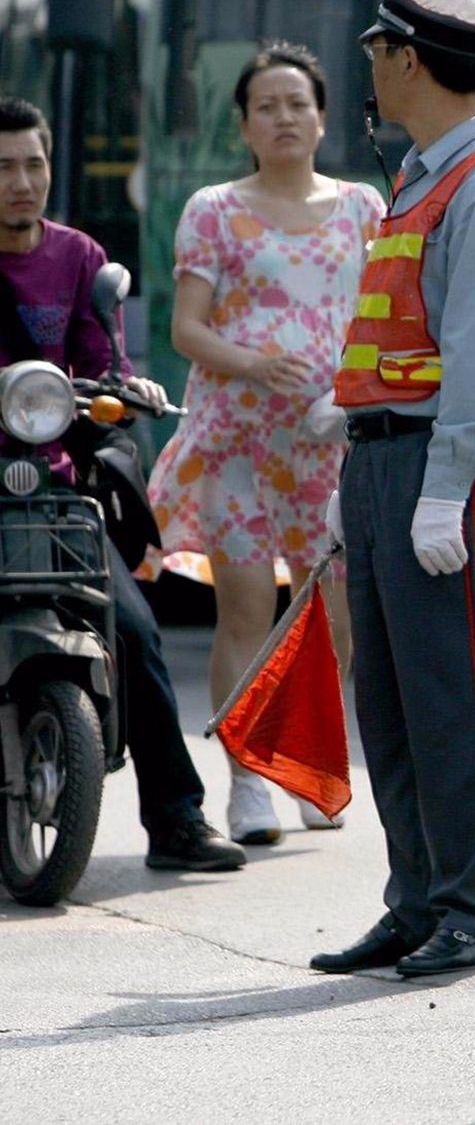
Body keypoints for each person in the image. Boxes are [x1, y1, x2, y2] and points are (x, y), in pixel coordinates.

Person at [308, 0, 475, 978]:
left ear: (408, 60)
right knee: (395, 701)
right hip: (383, 465)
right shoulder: (418, 180)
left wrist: (445, 486)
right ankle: (417, 899)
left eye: (376, 51)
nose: (368, 66)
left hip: (438, 470)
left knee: (454, 695)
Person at [0, 97, 247, 873]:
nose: (21, 182)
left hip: (55, 494)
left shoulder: (77, 257)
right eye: (3, 167)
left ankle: (176, 819)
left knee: (135, 631)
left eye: (34, 164)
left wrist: (121, 389)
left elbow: (105, 362)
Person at [150, 41, 379, 846]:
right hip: (237, 441)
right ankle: (247, 778)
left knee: (333, 612)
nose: (284, 118)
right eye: (267, 106)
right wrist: (257, 365)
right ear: (244, 124)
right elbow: (186, 329)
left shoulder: (362, 209)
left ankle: (313, 766)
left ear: (322, 118)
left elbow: (381, 317)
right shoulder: (214, 209)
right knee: (247, 605)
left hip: (331, 443)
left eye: (298, 104)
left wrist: (349, 390)